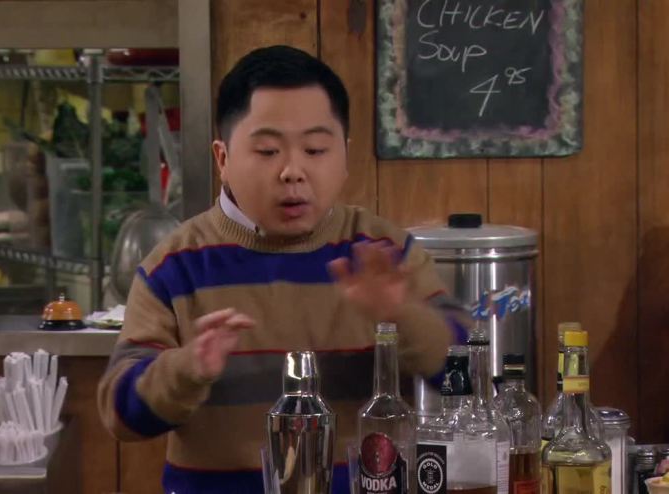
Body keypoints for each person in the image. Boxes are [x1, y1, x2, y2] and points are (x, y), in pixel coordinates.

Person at [97, 45, 469, 494]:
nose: (293, 171)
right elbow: (120, 416)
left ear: (344, 156)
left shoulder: (383, 253)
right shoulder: (175, 265)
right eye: (268, 150)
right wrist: (185, 369)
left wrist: (403, 314)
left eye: (315, 149)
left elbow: (466, 378)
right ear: (222, 160)